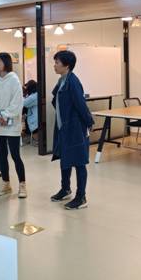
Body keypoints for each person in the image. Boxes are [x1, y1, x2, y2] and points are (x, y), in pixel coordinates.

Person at [50, 50, 94, 210]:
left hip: (74, 128)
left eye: (57, 62)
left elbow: (81, 104)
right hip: (63, 127)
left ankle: (81, 197)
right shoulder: (62, 80)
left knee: (79, 162)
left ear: (66, 65)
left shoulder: (73, 82)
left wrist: (89, 122)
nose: (54, 65)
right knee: (65, 158)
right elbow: (57, 100)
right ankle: (65, 189)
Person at [0, 52, 27, 198]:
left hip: (12, 124)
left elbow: (17, 101)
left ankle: (22, 185)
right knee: (1, 155)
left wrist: (5, 115)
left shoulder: (14, 80)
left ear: (6, 63)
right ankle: (6, 184)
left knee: (15, 155)